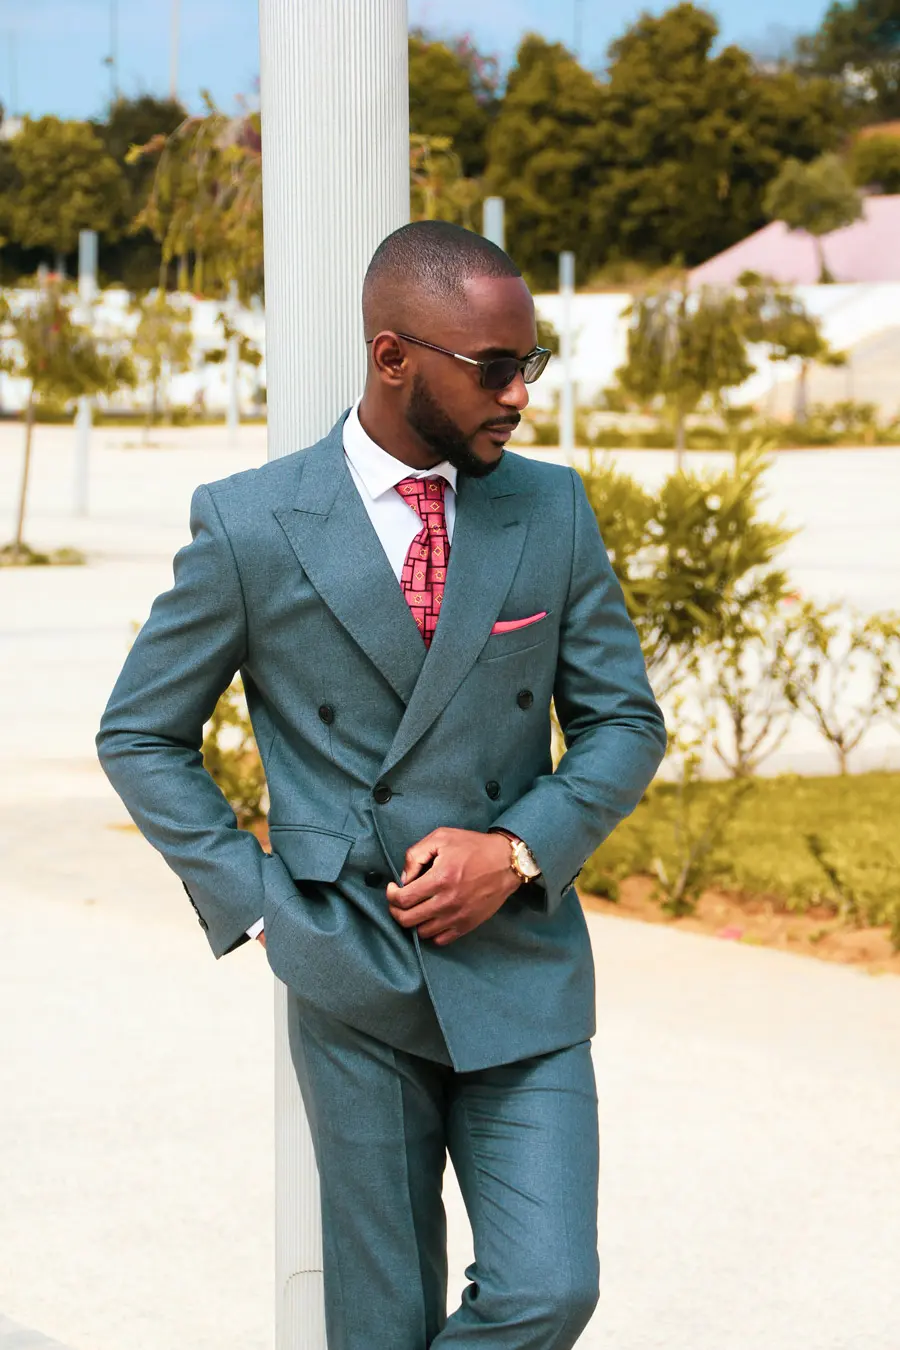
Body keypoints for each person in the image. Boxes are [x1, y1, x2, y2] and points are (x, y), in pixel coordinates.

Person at [97, 220, 666, 1350]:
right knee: (380, 1318)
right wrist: (263, 907)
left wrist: (512, 852)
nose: (518, 396)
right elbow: (140, 732)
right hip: (351, 965)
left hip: (523, 969)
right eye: (493, 369)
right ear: (394, 355)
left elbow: (622, 723)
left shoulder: (550, 509)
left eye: (529, 364)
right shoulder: (253, 521)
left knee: (550, 1287)